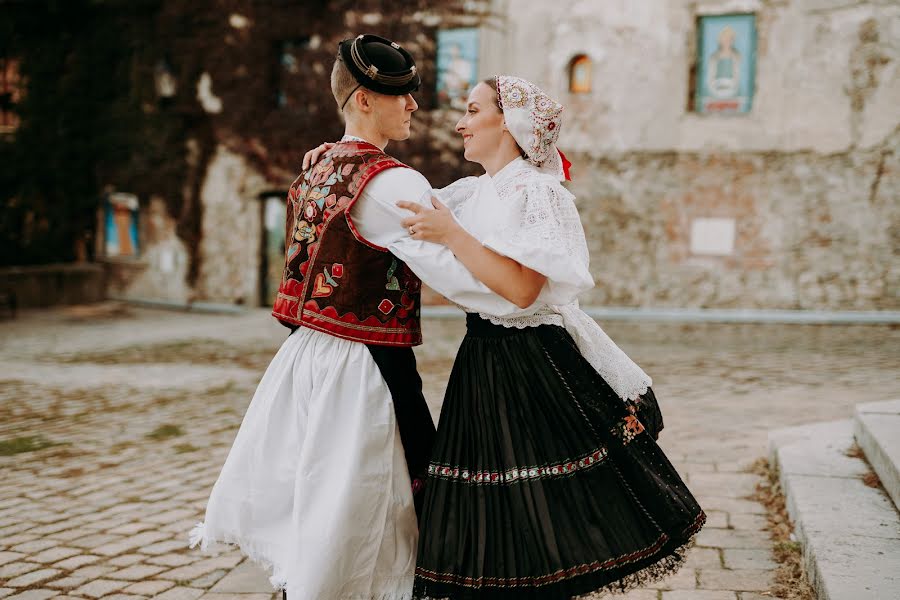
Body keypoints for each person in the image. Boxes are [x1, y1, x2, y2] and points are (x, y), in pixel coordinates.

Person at [305, 75, 705, 599]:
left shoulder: (537, 193)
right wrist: (340, 159)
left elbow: (521, 289)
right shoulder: (474, 192)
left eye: (472, 111)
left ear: (509, 124)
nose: (460, 123)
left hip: (534, 361)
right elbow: (387, 199)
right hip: (484, 357)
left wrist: (452, 235)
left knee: (542, 513)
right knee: (493, 513)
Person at [188, 34, 502, 600]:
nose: (412, 105)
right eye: (399, 94)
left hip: (305, 357)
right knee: (372, 506)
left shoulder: (314, 169)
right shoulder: (393, 180)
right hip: (364, 367)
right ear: (363, 99)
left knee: (320, 493)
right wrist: (526, 300)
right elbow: (461, 277)